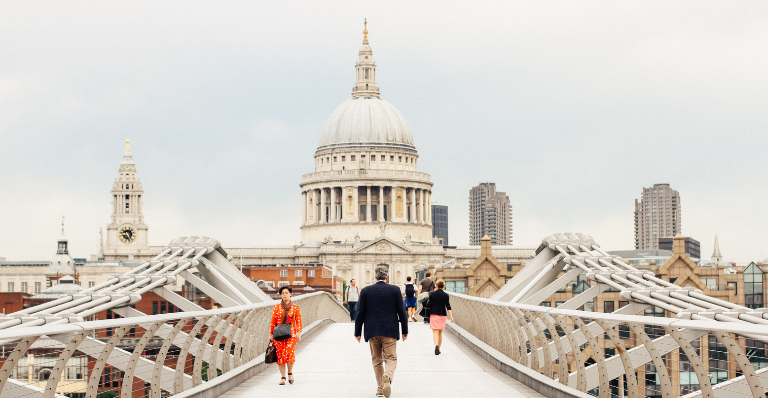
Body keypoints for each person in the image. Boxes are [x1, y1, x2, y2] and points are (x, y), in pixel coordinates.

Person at [355, 265, 408, 398]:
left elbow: (360, 313)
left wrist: (357, 332)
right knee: (391, 358)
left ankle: (380, 389)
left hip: (372, 330)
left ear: (375, 276)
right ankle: (387, 376)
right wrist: (405, 330)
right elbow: (402, 312)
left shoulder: (366, 291)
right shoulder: (395, 290)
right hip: (390, 330)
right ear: (387, 277)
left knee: (377, 360)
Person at [270, 285, 303, 385]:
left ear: (290, 294)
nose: (284, 295)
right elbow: (273, 322)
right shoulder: (276, 307)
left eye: (286, 293)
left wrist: (299, 333)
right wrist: (270, 335)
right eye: (282, 293)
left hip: (291, 335)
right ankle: (283, 377)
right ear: (281, 295)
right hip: (279, 334)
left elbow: (298, 321)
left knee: (289, 354)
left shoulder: (295, 308)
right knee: (280, 356)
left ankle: (290, 373)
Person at [426, 279, 453, 355]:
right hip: (442, 315)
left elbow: (429, 304)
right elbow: (448, 306)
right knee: (440, 333)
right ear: (443, 286)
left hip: (434, 314)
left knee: (435, 332)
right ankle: (439, 349)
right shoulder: (446, 295)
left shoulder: (432, 294)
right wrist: (451, 316)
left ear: (436, 286)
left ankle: (436, 345)